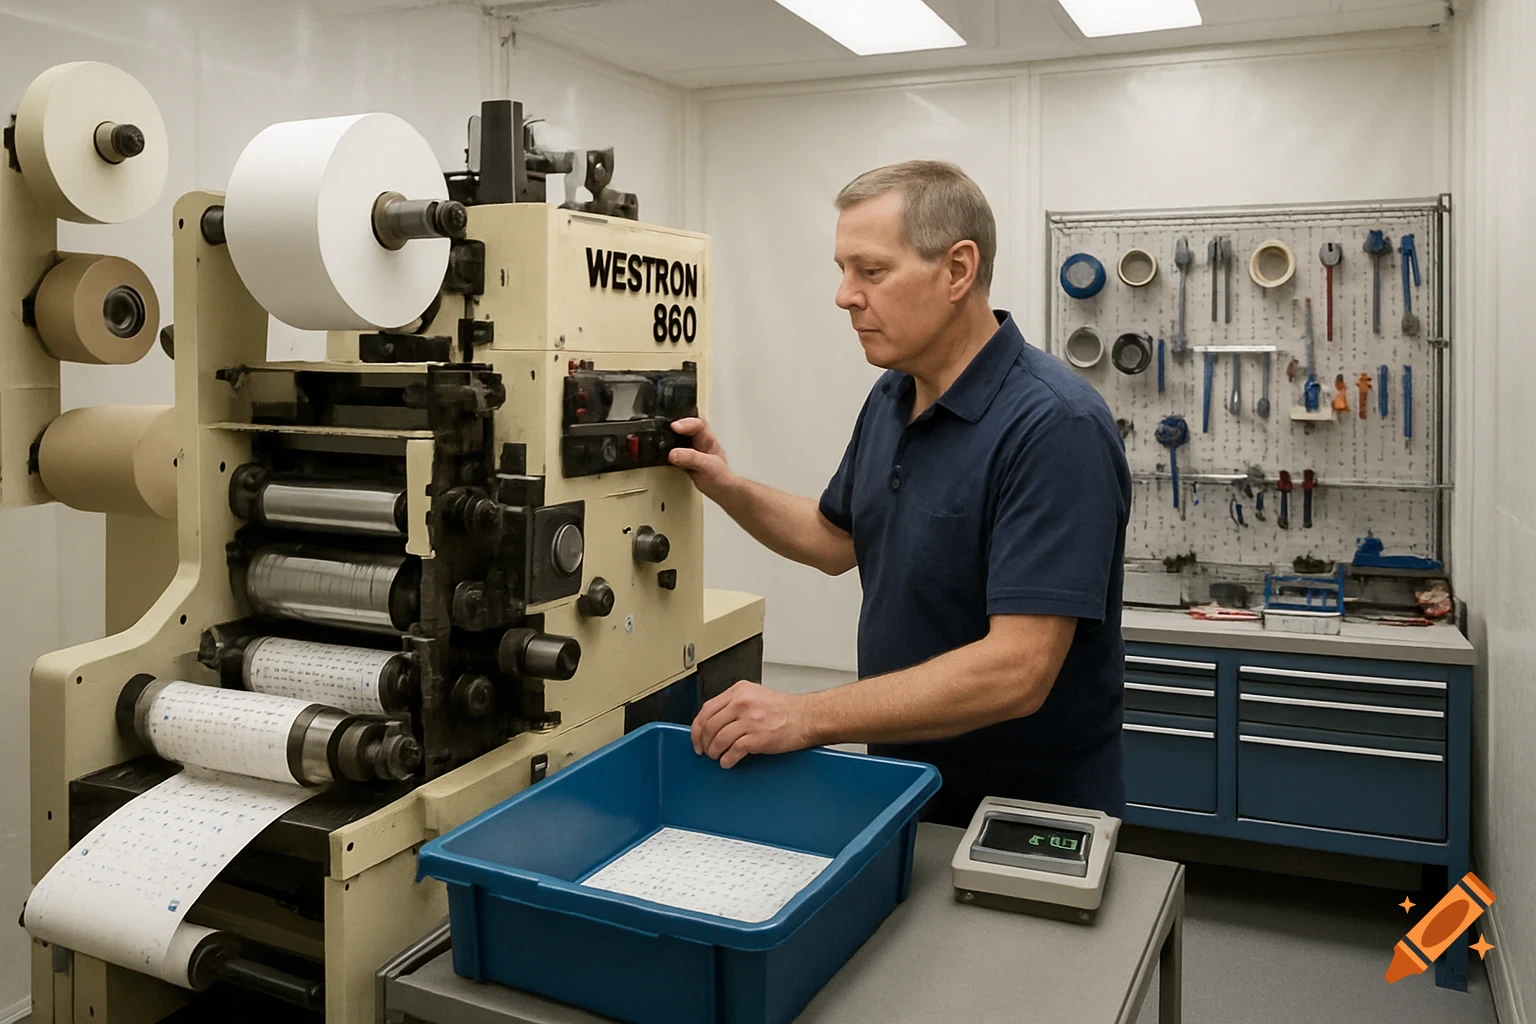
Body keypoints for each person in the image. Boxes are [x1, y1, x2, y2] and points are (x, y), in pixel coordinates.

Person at [668, 160, 1131, 824]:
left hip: (1023, 815)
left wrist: (805, 715)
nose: (844, 295)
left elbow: (1018, 669)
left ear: (957, 271)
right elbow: (837, 541)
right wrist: (726, 485)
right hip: (906, 789)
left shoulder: (1055, 426)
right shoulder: (895, 394)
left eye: (871, 271)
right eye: (842, 269)